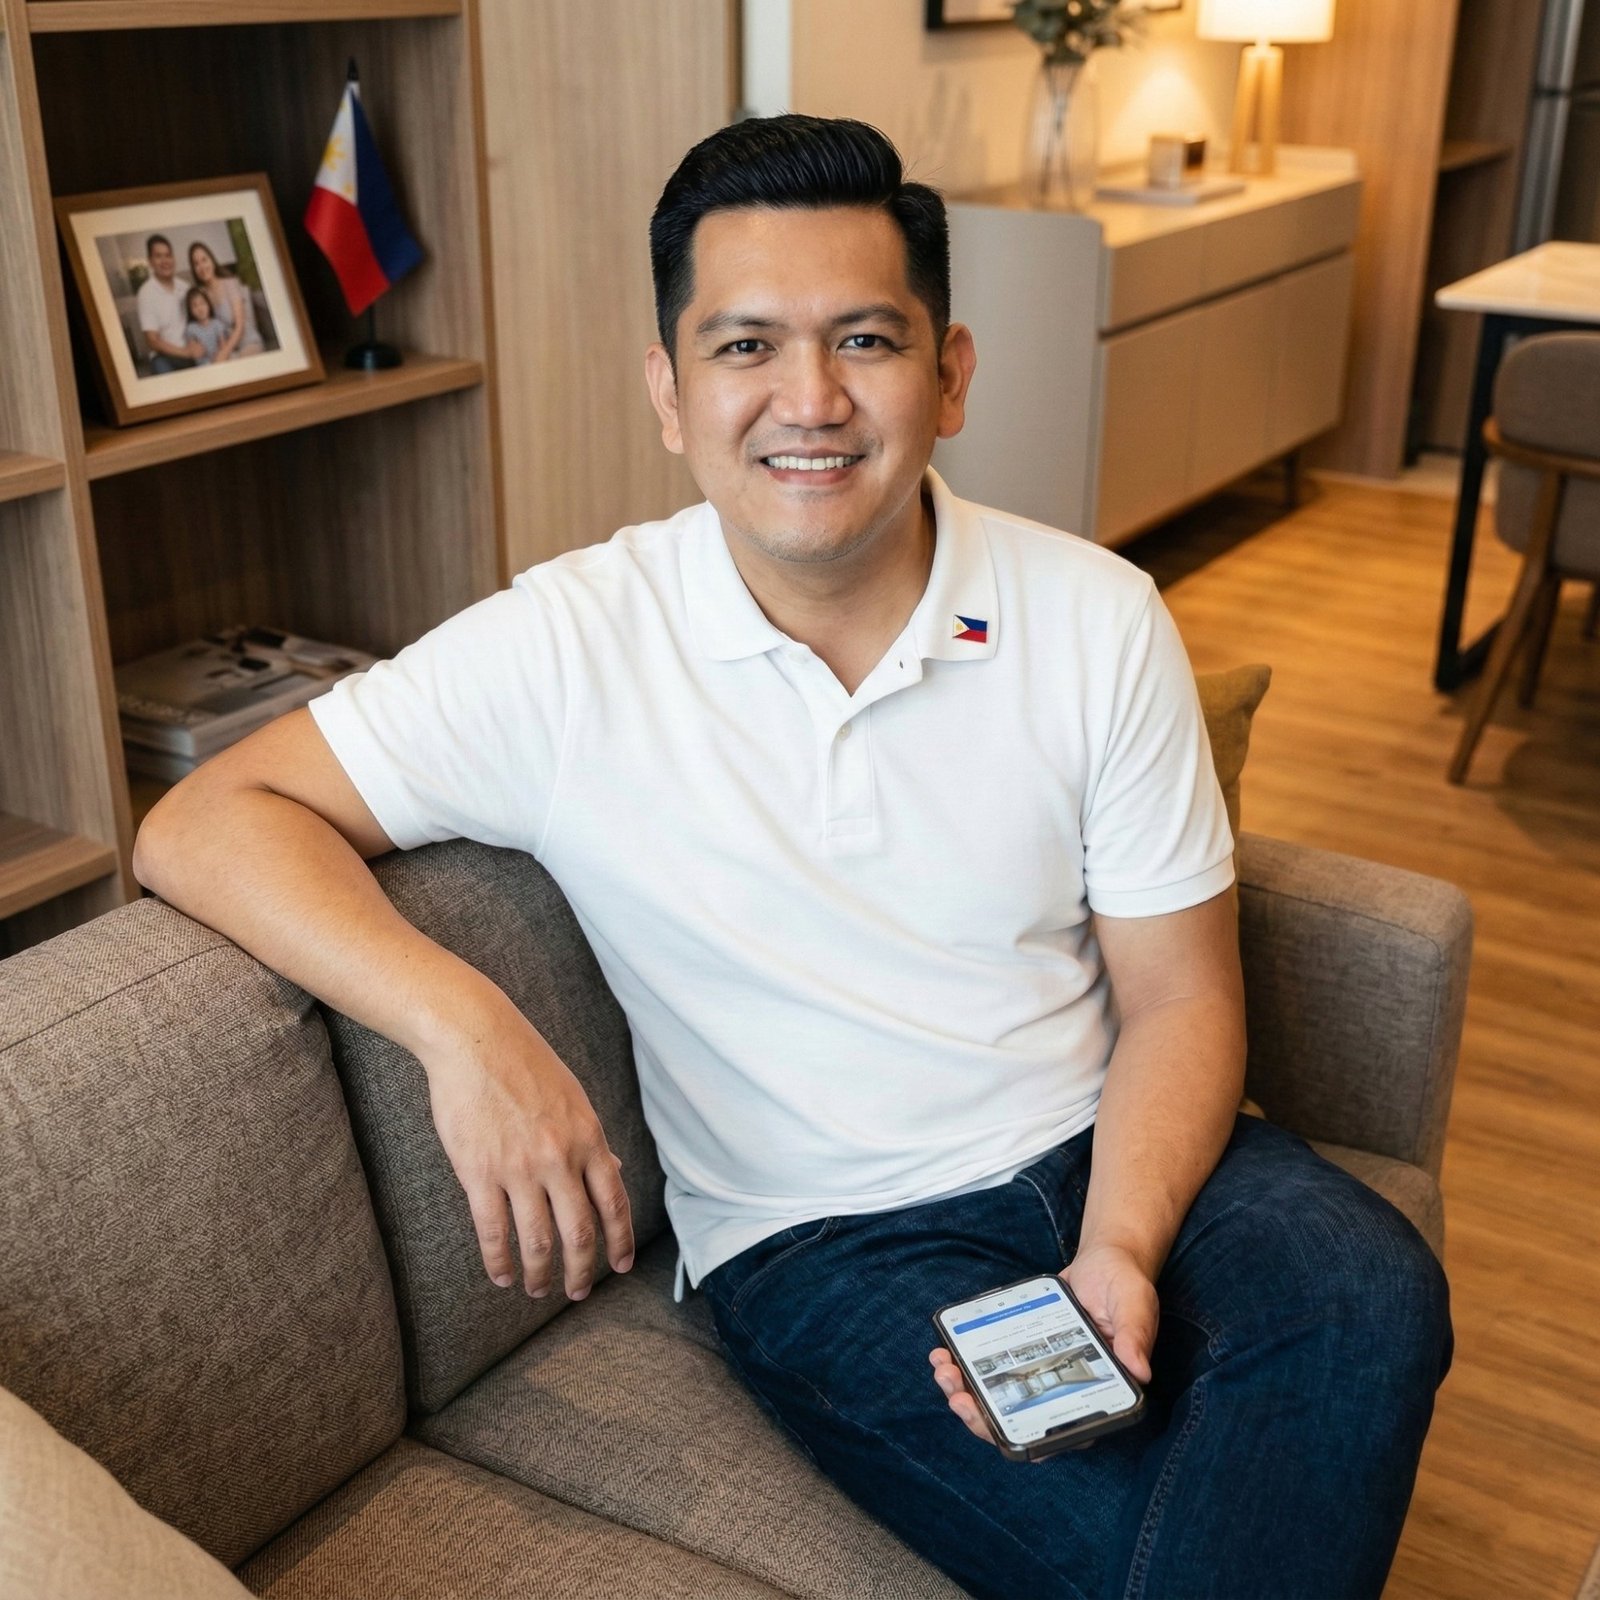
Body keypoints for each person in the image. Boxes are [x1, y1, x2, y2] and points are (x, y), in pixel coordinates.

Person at [133, 115, 1451, 1598]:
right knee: (1129, 1514)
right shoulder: (568, 646)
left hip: (1116, 1143)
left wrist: (1120, 1248)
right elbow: (205, 819)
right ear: (670, 392)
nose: (809, 400)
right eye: (746, 346)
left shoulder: (1096, 616)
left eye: (866, 340)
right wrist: (464, 1026)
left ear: (949, 375)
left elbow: (1184, 998)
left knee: (1368, 1294)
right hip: (830, 1239)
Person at [188, 239, 265, 363]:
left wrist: (224, 353)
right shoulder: (201, 295)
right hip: (225, 349)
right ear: (194, 269)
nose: (202, 267)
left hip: (247, 342)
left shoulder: (230, 283)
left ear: (212, 260)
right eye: (196, 264)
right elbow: (198, 324)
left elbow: (240, 326)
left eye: (204, 260)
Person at [134, 234, 195, 374]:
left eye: (168, 255)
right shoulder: (146, 293)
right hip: (165, 356)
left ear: (173, 258)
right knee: (162, 369)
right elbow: (152, 341)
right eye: (158, 256)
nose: (165, 261)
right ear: (150, 261)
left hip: (191, 351)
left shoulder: (185, 287)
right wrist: (186, 352)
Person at [181, 285, 228, 366]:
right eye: (195, 306)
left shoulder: (217, 324)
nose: (200, 308)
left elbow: (223, 346)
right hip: (203, 365)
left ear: (208, 304)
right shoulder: (191, 329)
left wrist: (219, 356)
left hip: (219, 360)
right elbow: (193, 350)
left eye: (202, 303)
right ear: (190, 310)